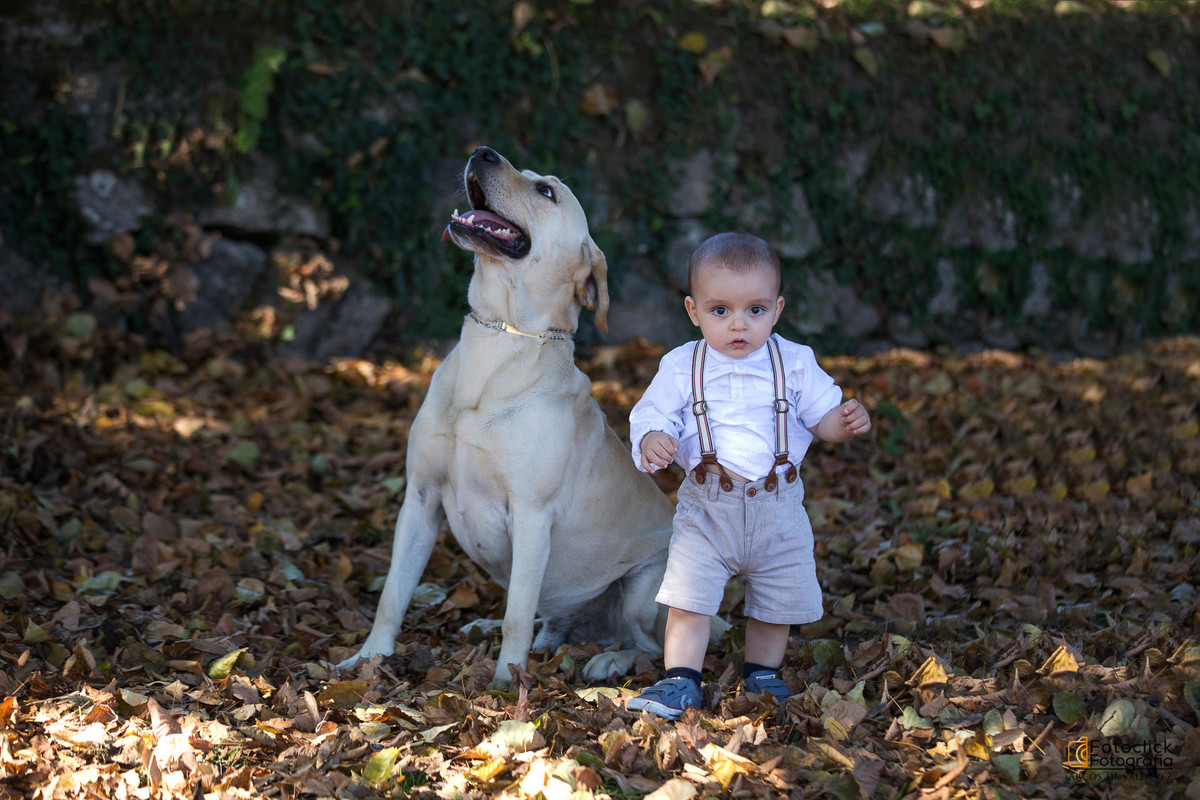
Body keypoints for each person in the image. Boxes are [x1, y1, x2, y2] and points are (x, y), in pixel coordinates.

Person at [624, 232, 872, 719]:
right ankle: (680, 680)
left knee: (776, 598)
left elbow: (819, 419)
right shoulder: (681, 367)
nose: (739, 324)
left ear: (777, 309)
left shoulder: (794, 362)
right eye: (721, 311)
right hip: (707, 508)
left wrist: (840, 424)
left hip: (777, 506)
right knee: (689, 597)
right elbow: (651, 414)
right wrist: (654, 438)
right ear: (694, 312)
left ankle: (763, 673)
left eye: (755, 310)